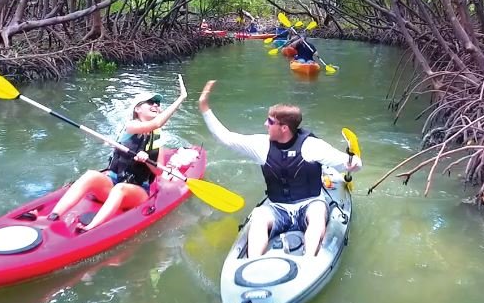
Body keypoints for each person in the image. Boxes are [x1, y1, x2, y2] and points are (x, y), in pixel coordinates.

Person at [198, 80, 361, 259]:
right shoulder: (260, 145)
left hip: (309, 203)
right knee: (259, 215)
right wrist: (204, 107)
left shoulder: (312, 146)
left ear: (284, 128)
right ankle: (252, 263)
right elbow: (225, 138)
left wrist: (355, 163)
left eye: (270, 121)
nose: (265, 124)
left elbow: (351, 163)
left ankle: (309, 260)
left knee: (317, 214)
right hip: (277, 207)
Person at [41, 76, 187, 232]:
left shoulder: (157, 138)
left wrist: (146, 160)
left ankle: (90, 229)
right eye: (150, 102)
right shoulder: (131, 126)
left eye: (158, 104)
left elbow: (158, 171)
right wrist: (180, 98)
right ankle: (53, 216)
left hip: (136, 192)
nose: (156, 105)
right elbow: (157, 123)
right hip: (112, 182)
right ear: (137, 109)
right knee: (91, 175)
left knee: (120, 189)